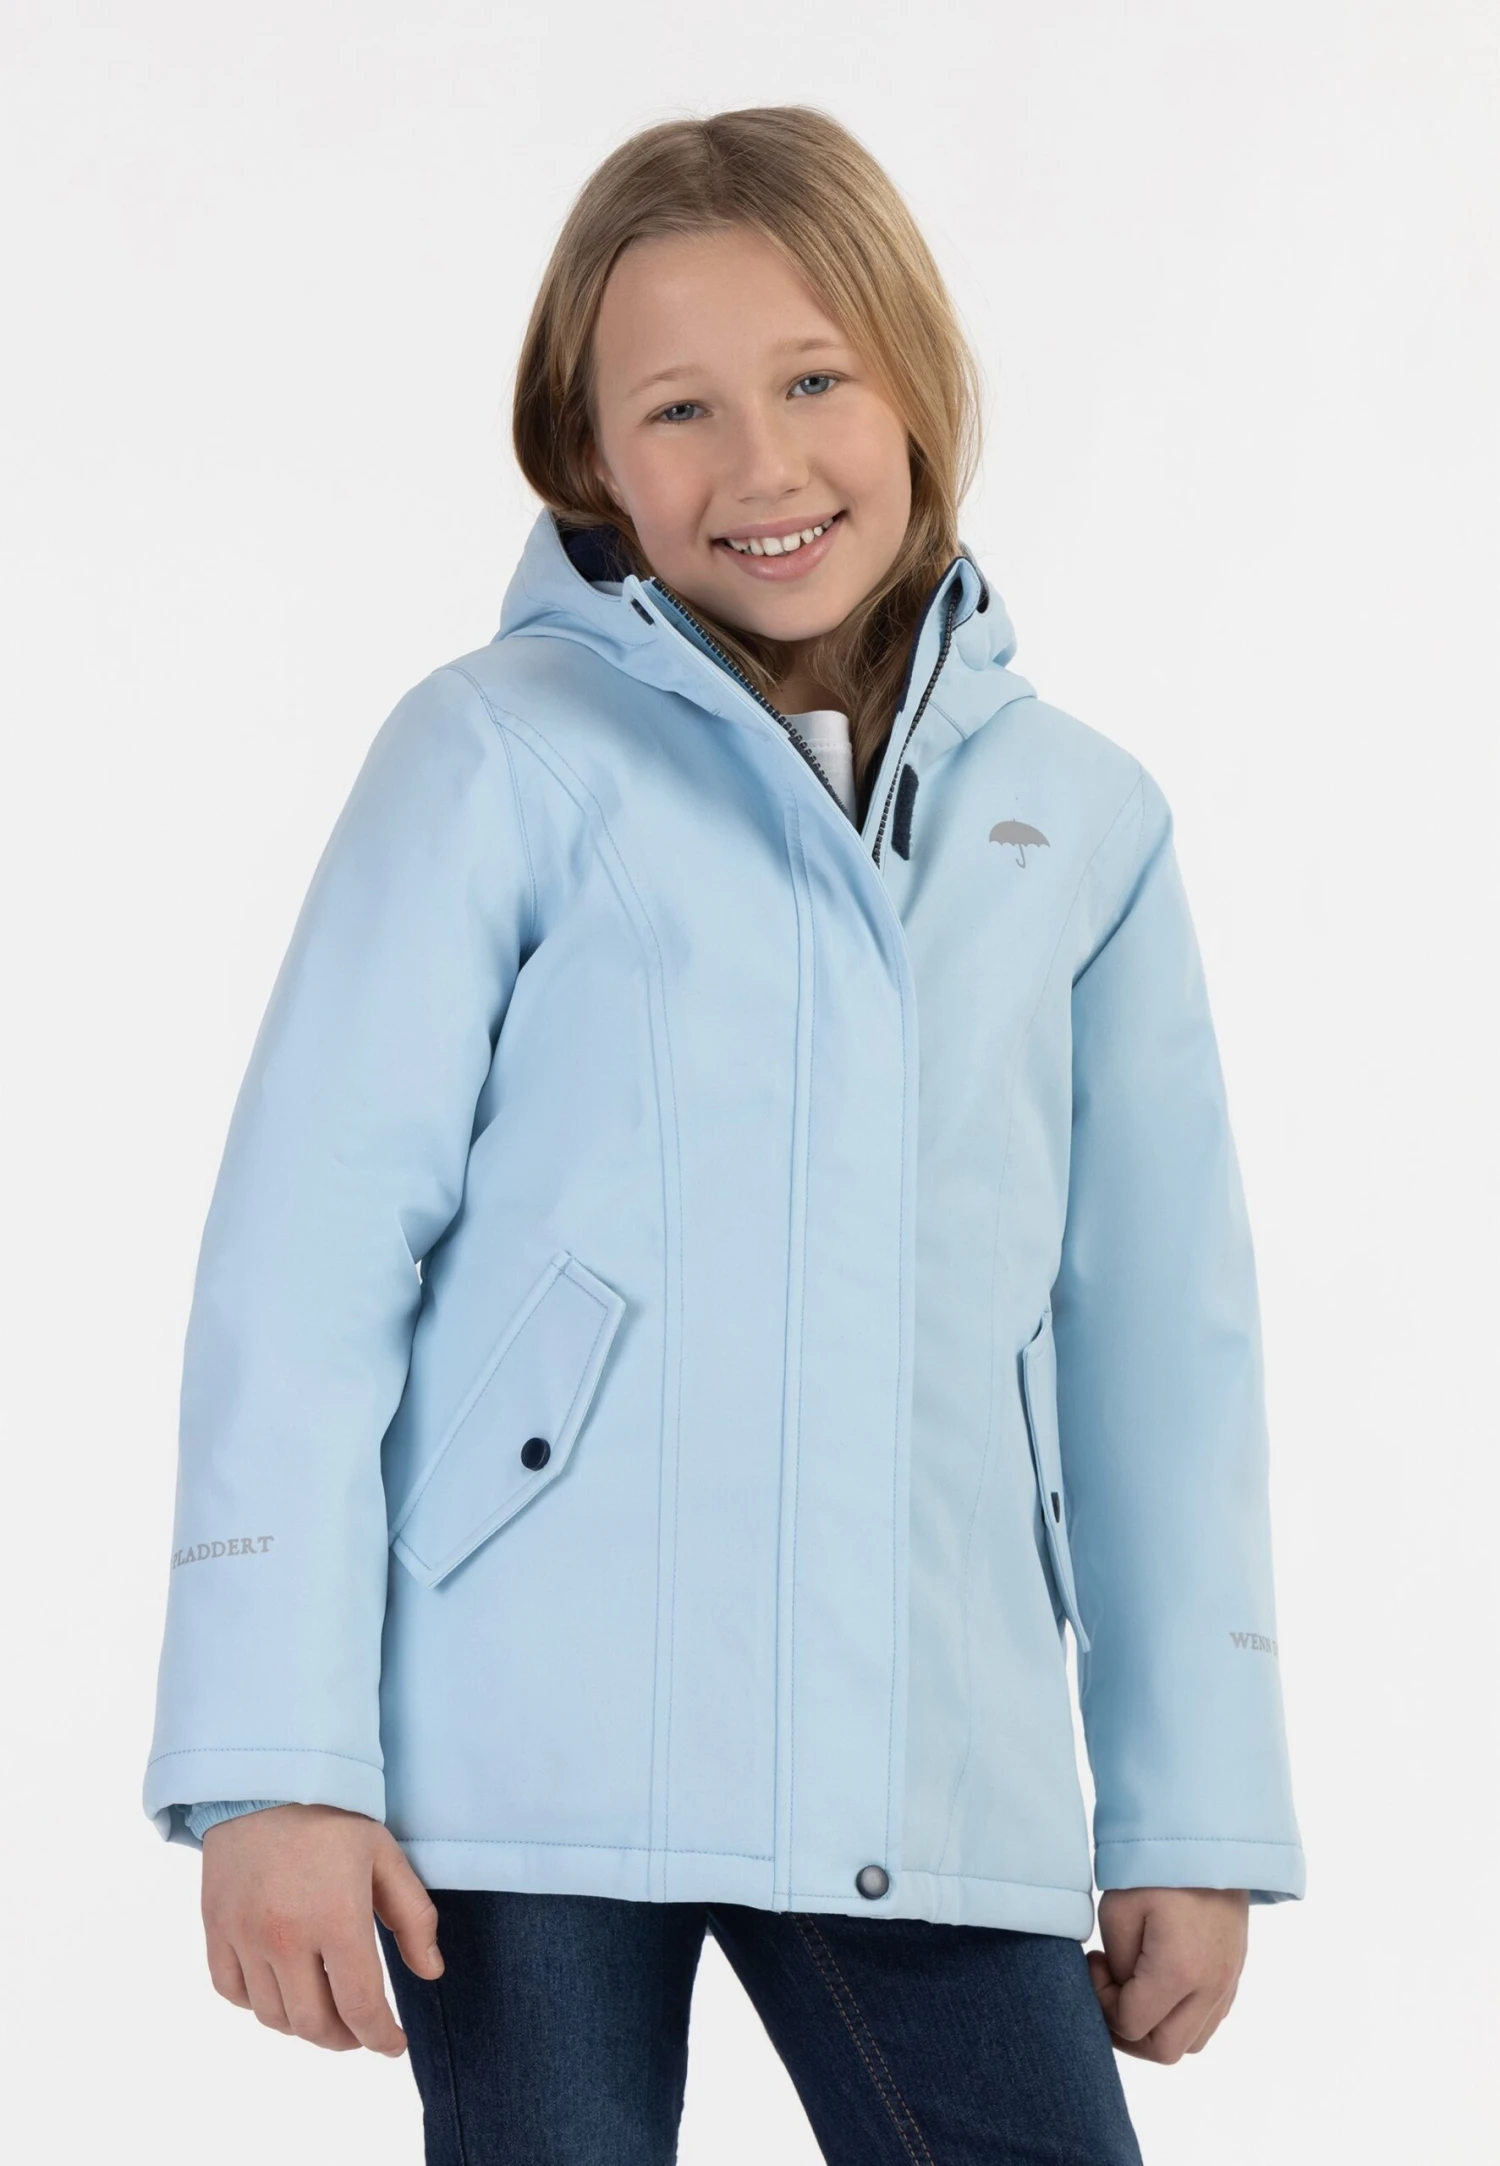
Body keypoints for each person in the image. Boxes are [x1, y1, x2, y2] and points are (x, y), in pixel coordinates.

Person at [142, 104, 1305, 2165]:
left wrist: (1188, 1803)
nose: (761, 466)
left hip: (927, 1750)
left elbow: (1160, 1346)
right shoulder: (496, 754)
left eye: (815, 380)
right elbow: (306, 1261)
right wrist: (272, 1763)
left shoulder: (1082, 823)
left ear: (918, 387)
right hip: (525, 1756)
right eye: (678, 408)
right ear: (587, 452)